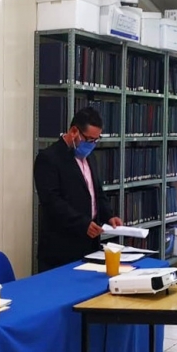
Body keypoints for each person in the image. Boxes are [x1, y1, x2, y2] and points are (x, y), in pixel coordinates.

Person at [34, 107, 123, 271]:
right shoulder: (48, 158)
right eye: (89, 139)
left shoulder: (90, 157)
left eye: (96, 140)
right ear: (74, 131)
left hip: (90, 244)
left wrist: (109, 216)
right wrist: (82, 223)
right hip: (61, 249)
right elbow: (52, 202)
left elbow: (96, 192)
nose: (92, 145)